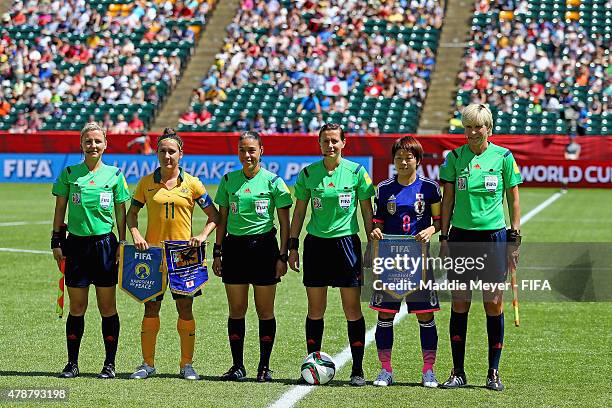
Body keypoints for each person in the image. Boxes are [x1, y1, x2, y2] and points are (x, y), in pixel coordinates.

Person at [438, 104, 522, 391]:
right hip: (461, 238)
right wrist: (445, 238)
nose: (473, 132)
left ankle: (493, 372)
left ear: (489, 128)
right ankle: (458, 372)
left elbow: (513, 200)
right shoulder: (454, 158)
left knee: (493, 303)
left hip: (494, 238)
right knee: (460, 303)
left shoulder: (503, 157)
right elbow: (447, 200)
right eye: (468, 127)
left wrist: (515, 238)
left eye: (478, 127)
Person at [127, 128, 219, 380]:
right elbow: (131, 214)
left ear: (181, 154)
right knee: (150, 310)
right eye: (162, 151)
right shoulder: (146, 183)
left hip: (183, 256)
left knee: (185, 310)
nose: (167, 156)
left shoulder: (192, 183)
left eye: (172, 151)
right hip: (153, 255)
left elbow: (214, 216)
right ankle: (147, 364)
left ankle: (187, 365)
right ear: (156, 153)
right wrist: (136, 235)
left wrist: (201, 237)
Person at [288, 123, 375, 386]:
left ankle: (357, 370)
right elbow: (299, 213)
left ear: (343, 143)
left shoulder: (357, 172)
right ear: (319, 144)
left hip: (347, 245)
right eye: (325, 141)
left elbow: (367, 213)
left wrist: (372, 245)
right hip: (316, 246)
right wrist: (293, 245)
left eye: (335, 141)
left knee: (351, 309)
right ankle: (312, 363)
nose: (330, 145)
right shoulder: (307, 174)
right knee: (316, 309)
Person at [52, 122, 131, 379]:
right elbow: (60, 209)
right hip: (75, 245)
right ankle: (72, 363)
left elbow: (121, 213)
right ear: (81, 144)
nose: (93, 145)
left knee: (107, 306)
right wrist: (56, 241)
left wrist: (121, 243)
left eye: (98, 141)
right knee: (77, 306)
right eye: (88, 141)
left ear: (106, 144)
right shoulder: (69, 173)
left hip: (105, 246)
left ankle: (109, 364)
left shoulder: (115, 174)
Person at [212, 131, 293, 382]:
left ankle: (264, 367)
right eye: (242, 150)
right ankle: (237, 366)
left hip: (264, 248)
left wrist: (283, 255)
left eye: (251, 150)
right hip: (234, 249)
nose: (247, 155)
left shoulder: (274, 182)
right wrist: (217, 252)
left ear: (261, 151)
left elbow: (284, 222)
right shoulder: (227, 180)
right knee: (236, 310)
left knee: (264, 311)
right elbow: (222, 220)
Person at [369, 136, 441, 388]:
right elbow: (377, 224)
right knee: (385, 314)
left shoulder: (430, 189)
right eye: (398, 157)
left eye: (408, 157)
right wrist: (375, 233)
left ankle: (428, 371)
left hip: (419, 262)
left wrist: (431, 231)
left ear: (418, 160)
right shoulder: (384, 189)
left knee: (425, 316)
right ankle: (385, 370)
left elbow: (440, 222)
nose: (403, 161)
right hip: (390, 261)